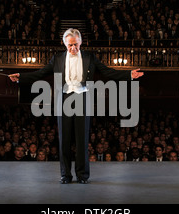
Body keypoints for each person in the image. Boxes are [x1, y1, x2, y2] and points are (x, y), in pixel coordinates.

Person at [8, 28, 144, 184]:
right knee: (64, 141)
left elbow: (107, 72)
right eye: (70, 45)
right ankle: (65, 175)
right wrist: (21, 78)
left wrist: (129, 75)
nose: (73, 48)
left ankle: (82, 175)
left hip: (82, 100)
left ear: (81, 42)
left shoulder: (90, 57)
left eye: (76, 45)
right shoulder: (57, 58)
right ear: (64, 43)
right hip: (64, 100)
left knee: (82, 141)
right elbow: (41, 73)